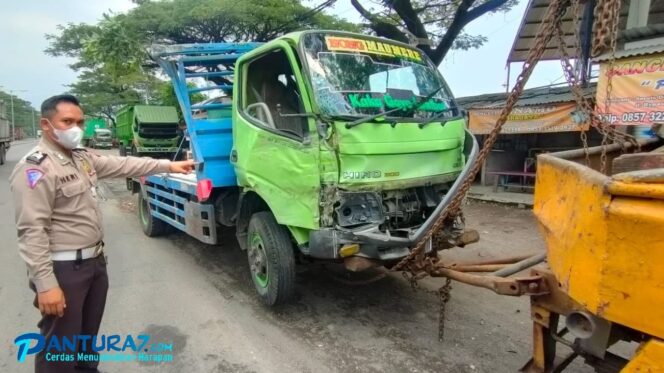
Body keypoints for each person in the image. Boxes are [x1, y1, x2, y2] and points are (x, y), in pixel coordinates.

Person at [9, 94, 195, 373]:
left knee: (86, 341)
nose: (76, 128)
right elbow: (31, 230)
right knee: (60, 345)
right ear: (46, 125)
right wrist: (46, 284)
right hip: (63, 270)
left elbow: (126, 165)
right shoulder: (36, 167)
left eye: (80, 122)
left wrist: (168, 165)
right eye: (67, 121)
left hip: (94, 263)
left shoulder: (81, 158)